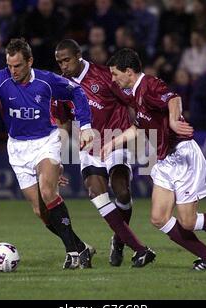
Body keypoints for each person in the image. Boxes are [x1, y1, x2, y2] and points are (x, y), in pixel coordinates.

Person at [103, 48, 206, 270]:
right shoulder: (136, 94)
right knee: (159, 218)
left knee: (188, 221)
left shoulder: (148, 85)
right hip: (164, 160)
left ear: (128, 71)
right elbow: (138, 127)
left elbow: (174, 98)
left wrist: (174, 121)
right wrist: (112, 143)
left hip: (182, 154)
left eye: (115, 74)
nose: (113, 79)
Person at [0, 38, 95, 270]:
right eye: (9, 65)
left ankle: (72, 254)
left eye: (18, 65)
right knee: (41, 212)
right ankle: (80, 246)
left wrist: (86, 126)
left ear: (30, 61)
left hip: (46, 141)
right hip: (17, 148)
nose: (13, 70)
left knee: (48, 191)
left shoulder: (47, 81)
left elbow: (76, 92)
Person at [54, 39, 156, 268]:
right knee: (95, 192)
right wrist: (61, 154)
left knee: (121, 192)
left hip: (114, 138)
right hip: (88, 147)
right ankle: (139, 248)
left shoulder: (103, 75)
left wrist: (142, 127)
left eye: (67, 60)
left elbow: (130, 101)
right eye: (59, 62)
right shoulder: (61, 85)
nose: (63, 66)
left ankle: (119, 242)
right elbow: (63, 122)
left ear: (79, 55)